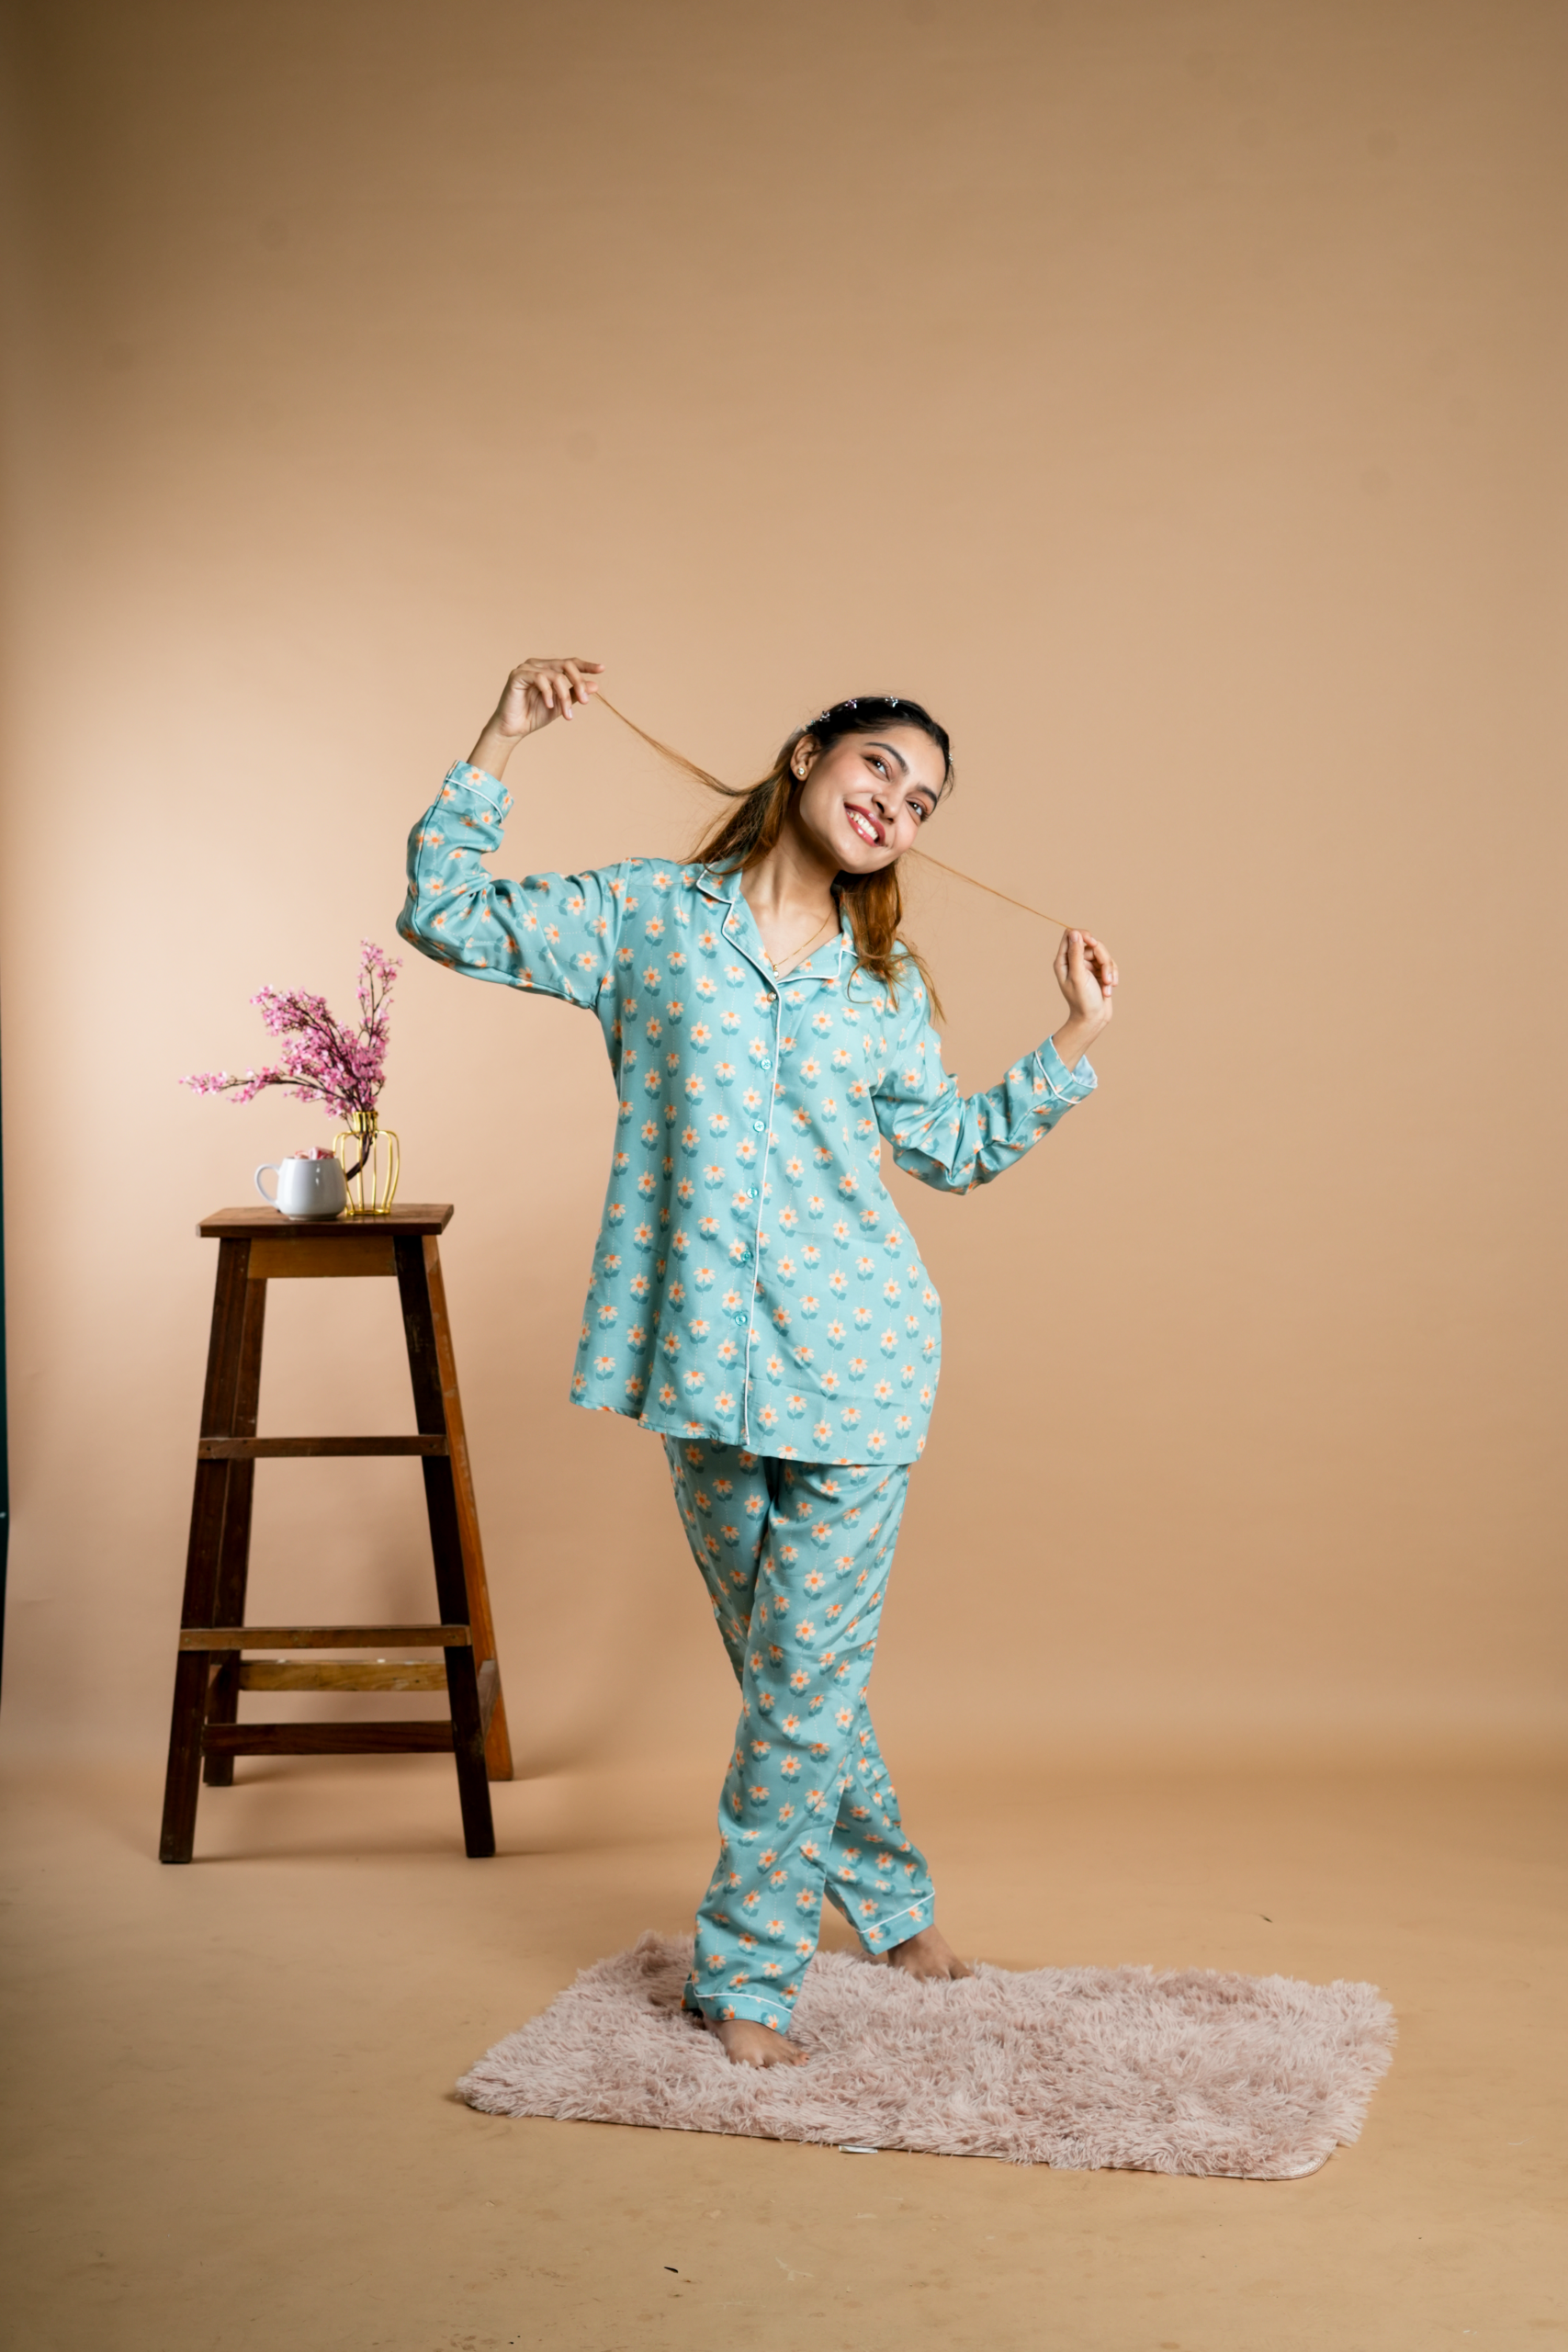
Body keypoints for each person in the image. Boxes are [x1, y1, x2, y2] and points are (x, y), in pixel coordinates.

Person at [400, 656, 1118, 2068]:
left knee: (797, 1682)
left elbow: (952, 1152)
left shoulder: (883, 985)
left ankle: (745, 1978)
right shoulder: (644, 920)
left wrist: (1072, 1040)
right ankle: (896, 1908)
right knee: (794, 1678)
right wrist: (499, 739)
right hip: (699, 1366)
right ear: (804, 758)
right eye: (877, 769)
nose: (894, 805)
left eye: (921, 802)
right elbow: (444, 915)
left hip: (859, 1369)